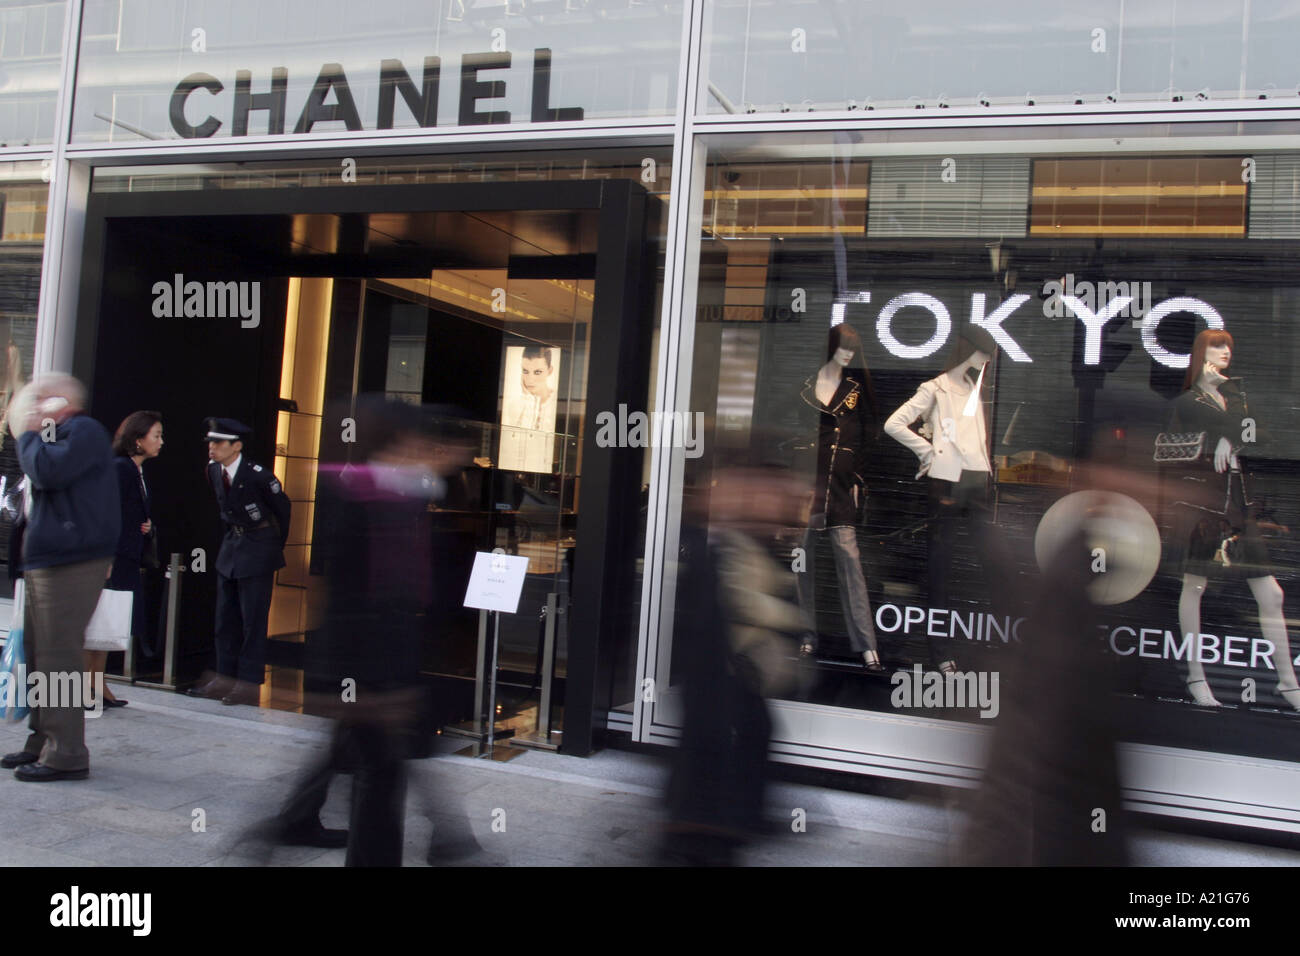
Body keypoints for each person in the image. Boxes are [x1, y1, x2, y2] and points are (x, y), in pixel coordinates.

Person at [276, 398, 476, 864]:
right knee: (382, 775)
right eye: (416, 441)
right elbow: (347, 596)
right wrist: (356, 683)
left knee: (379, 768)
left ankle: (292, 823)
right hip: (370, 669)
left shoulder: (397, 496)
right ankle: (444, 841)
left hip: (385, 666)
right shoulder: (362, 500)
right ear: (397, 442)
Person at [1163, 329, 1300, 709]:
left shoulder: (1231, 397)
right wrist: (1230, 431)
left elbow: (1262, 434)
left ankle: (1288, 683)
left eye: (1227, 347)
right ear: (1200, 353)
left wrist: (1232, 432)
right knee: (1194, 587)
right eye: (1216, 346)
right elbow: (1231, 426)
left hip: (1236, 506)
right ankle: (1195, 676)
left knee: (1272, 593)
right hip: (1204, 504)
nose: (1224, 353)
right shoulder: (1189, 401)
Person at [1, 373, 118, 782]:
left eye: (40, 401)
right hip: (48, 558)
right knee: (39, 655)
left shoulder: (83, 430)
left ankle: (66, 753)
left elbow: (46, 472)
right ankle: (43, 741)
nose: (32, 410)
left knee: (58, 657)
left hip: (69, 560)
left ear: (60, 402)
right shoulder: (62, 432)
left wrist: (28, 434)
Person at [885, 324, 1009, 675]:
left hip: (975, 483)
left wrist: (987, 475)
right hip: (947, 485)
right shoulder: (934, 389)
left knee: (990, 564)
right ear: (970, 350)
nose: (987, 360)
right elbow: (894, 424)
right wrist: (930, 452)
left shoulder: (972, 388)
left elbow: (977, 440)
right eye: (984, 352)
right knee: (941, 570)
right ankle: (939, 649)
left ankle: (998, 645)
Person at [795, 323, 882, 670]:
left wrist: (857, 477)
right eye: (843, 346)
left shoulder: (855, 390)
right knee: (803, 565)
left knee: (851, 565)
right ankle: (806, 636)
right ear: (831, 346)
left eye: (852, 349)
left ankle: (867, 646)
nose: (848, 354)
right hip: (808, 486)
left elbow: (867, 437)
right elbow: (794, 427)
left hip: (840, 486)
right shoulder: (806, 385)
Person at [188, 418, 289, 707]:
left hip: (258, 549)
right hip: (232, 547)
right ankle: (224, 677)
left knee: (252, 621)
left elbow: (282, 512)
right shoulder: (213, 470)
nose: (212, 447)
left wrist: (270, 549)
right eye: (210, 442)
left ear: (237, 446)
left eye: (218, 442)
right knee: (225, 619)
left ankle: (247, 683)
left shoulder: (258, 476)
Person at [85, 411, 163, 709]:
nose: (161, 441)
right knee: (98, 623)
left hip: (126, 556)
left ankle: (97, 682)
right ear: (138, 439)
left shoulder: (135, 471)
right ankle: (86, 685)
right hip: (113, 558)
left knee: (107, 625)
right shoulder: (121, 469)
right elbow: (105, 514)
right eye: (156, 435)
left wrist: (145, 525)